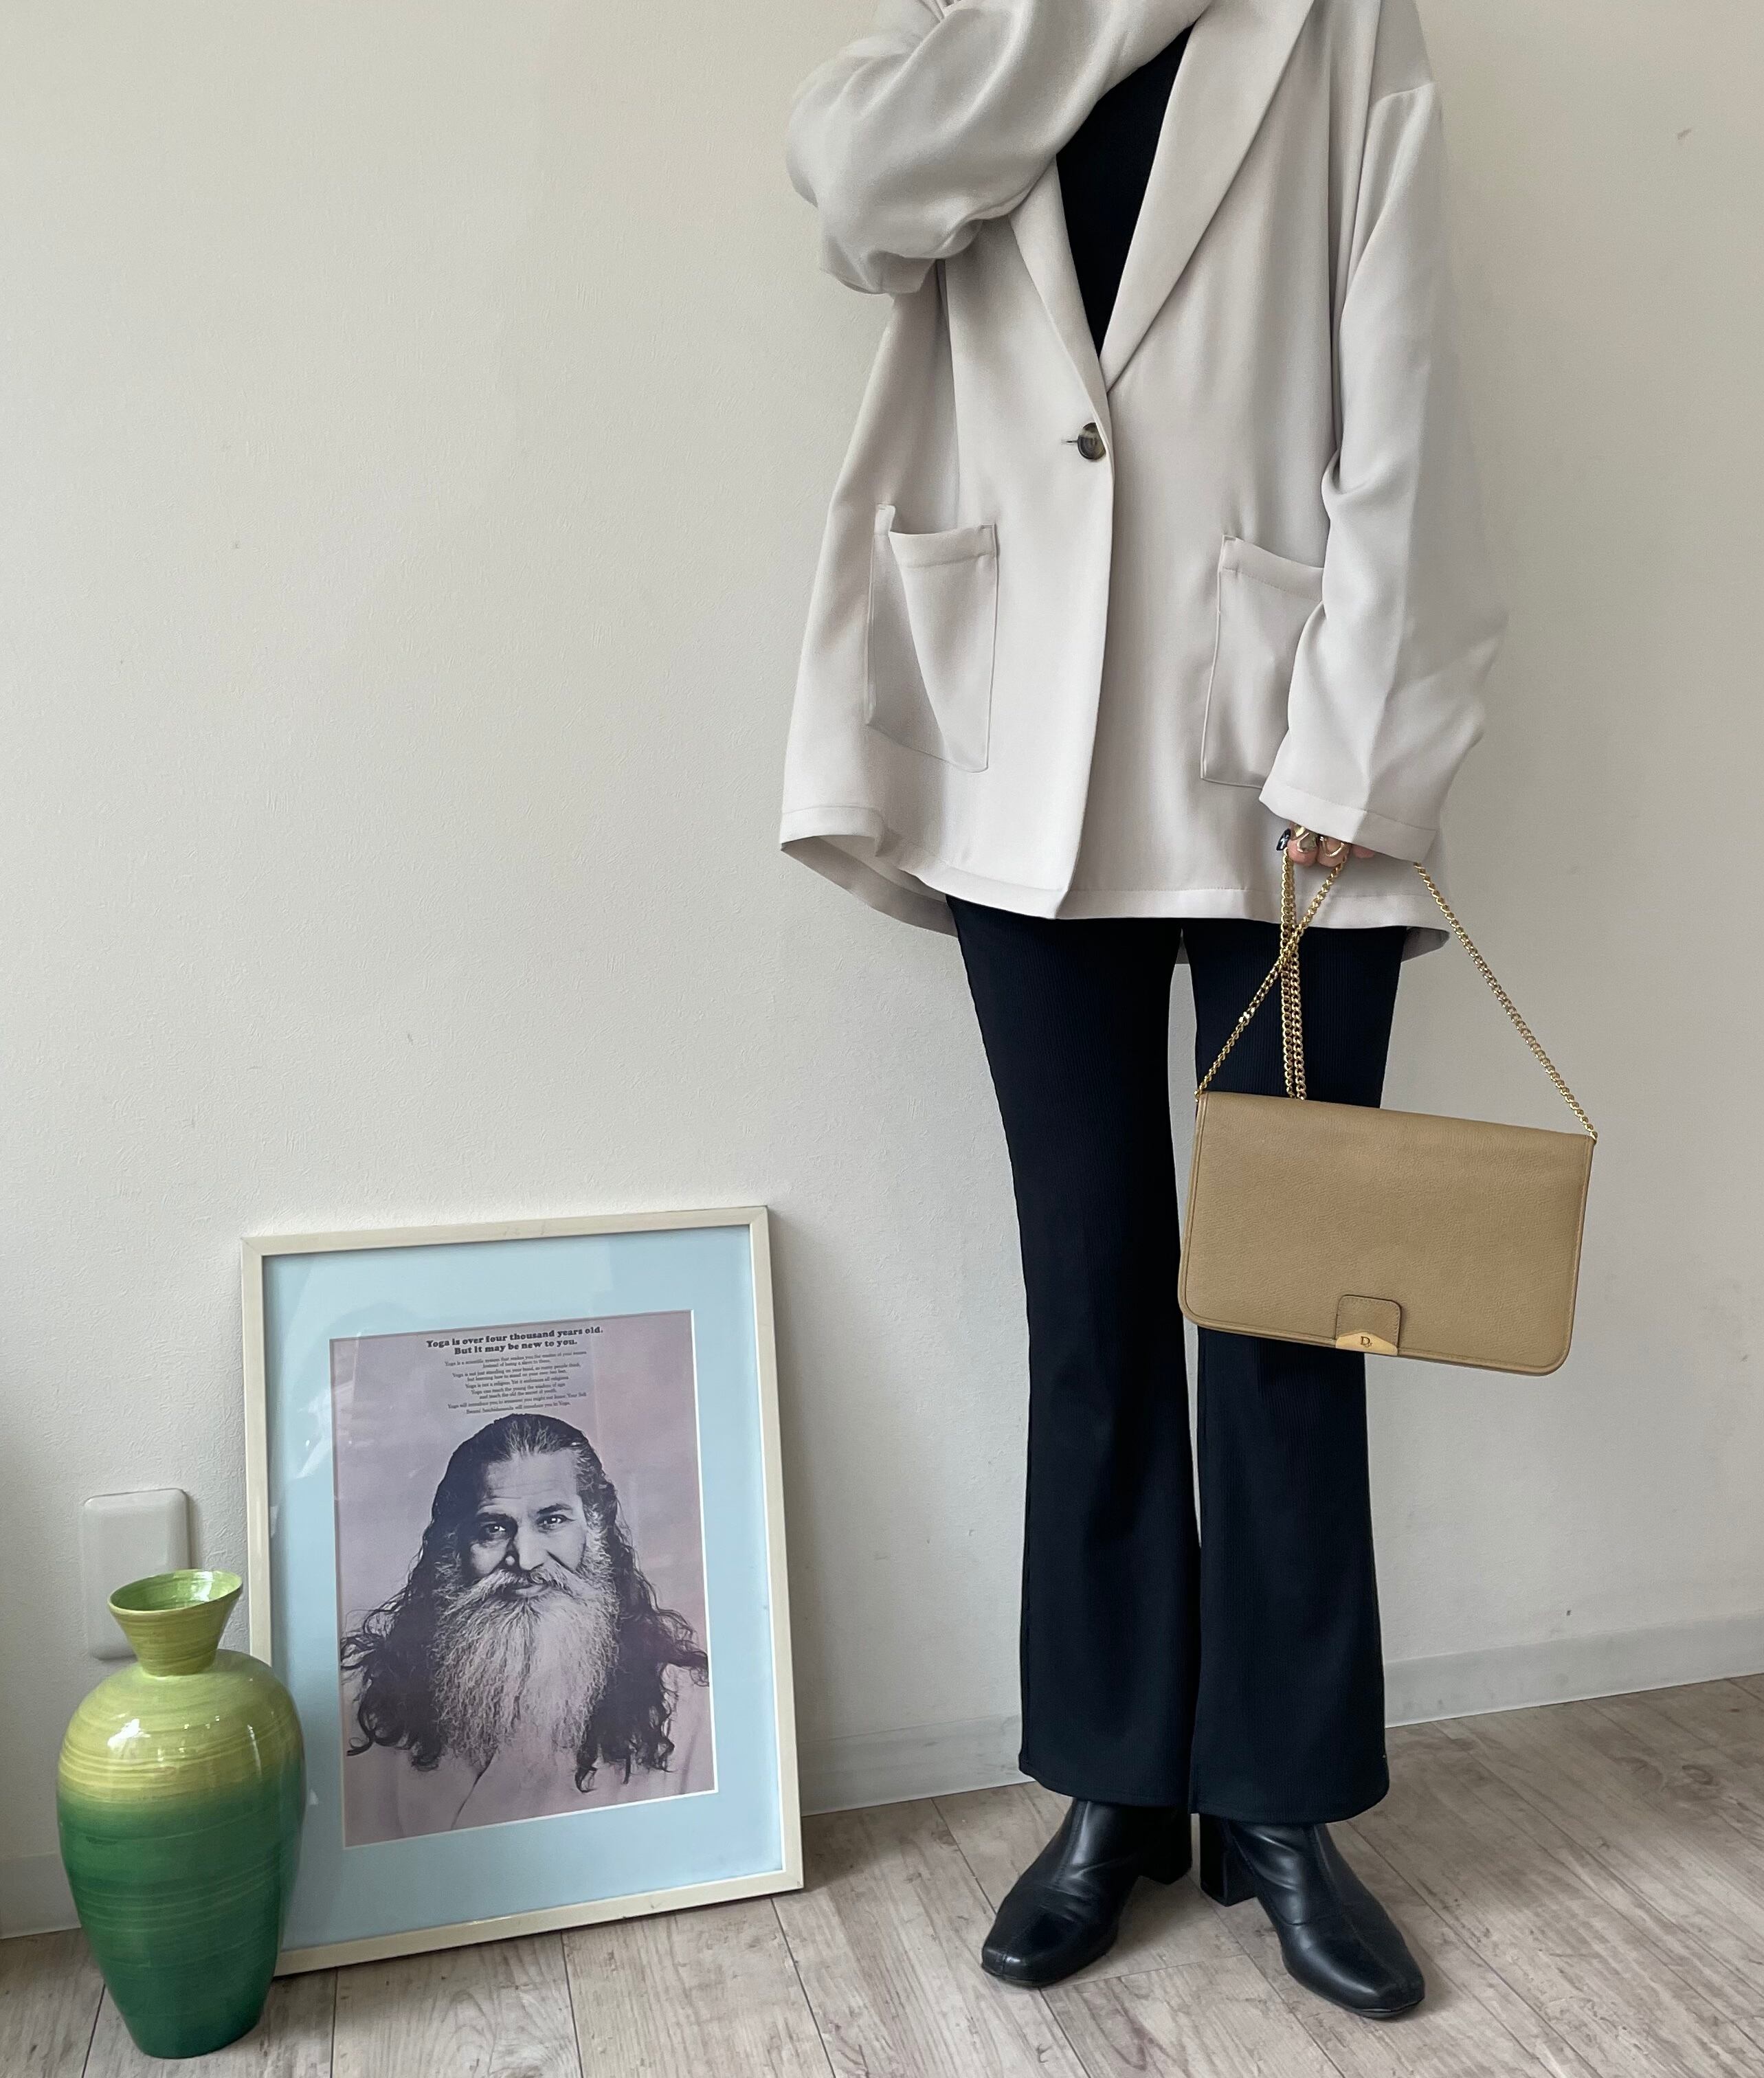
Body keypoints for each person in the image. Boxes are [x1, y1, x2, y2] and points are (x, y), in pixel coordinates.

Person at [781, 0, 1506, 2020]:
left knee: (1293, 1311)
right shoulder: (972, 19)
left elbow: (1409, 386)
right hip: (1020, 744)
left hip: (1286, 751)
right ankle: (1113, 1784)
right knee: (1089, 1295)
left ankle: (1281, 1805)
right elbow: (865, 197)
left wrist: (1359, 760)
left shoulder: (1343, 23)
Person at [339, 1412, 713, 1842]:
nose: (527, 1559)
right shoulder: (366, 1699)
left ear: (595, 1531)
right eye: (493, 1528)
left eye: (552, 1521)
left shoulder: (688, 1709)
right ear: (454, 1548)